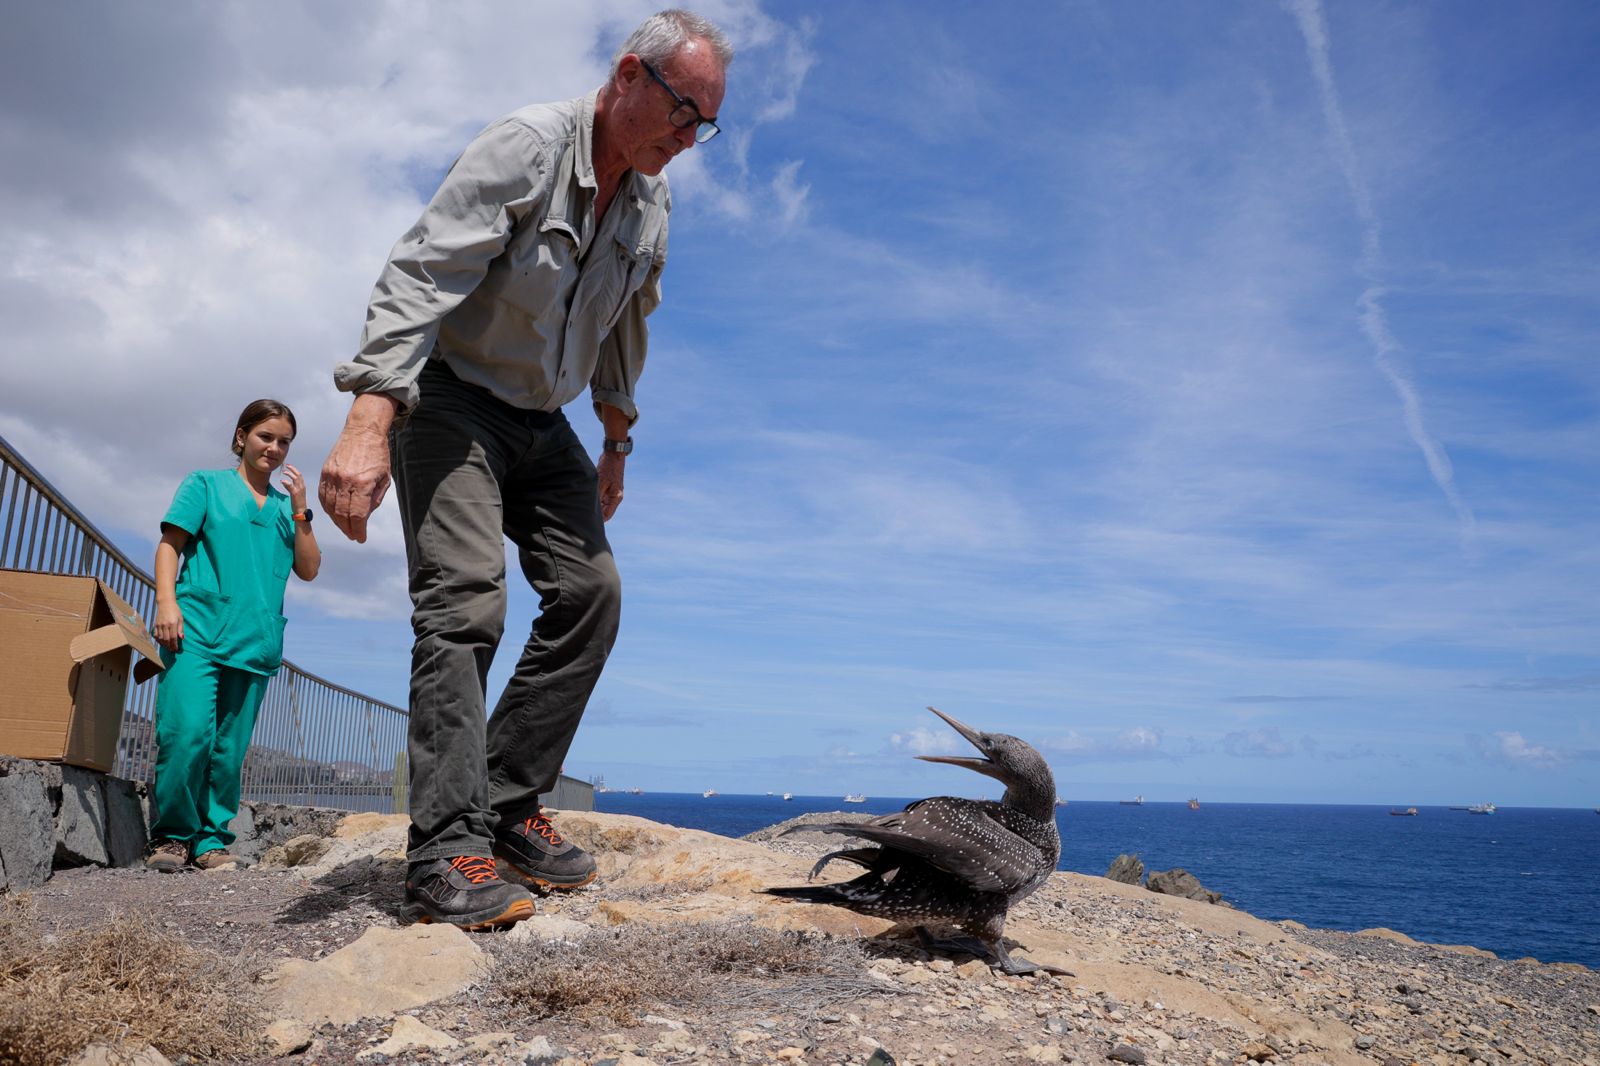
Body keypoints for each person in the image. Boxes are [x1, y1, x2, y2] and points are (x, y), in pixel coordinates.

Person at [318, 10, 732, 929]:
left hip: (543, 423)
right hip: (454, 398)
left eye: (706, 122)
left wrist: (616, 439)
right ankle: (444, 850)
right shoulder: (527, 148)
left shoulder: (651, 202)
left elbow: (627, 322)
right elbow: (420, 275)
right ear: (630, 74)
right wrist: (366, 419)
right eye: (682, 110)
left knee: (592, 593)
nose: (690, 137)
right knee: (466, 599)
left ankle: (508, 807)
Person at [146, 399, 321, 872]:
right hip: (196, 631)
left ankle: (210, 842)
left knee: (227, 752)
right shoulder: (204, 485)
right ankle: (173, 836)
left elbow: (309, 568)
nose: (275, 447)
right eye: (266, 436)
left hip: (255, 642)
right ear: (242, 437)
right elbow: (169, 546)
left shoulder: (288, 511)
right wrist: (167, 603)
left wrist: (303, 511)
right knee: (186, 735)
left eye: (284, 441)